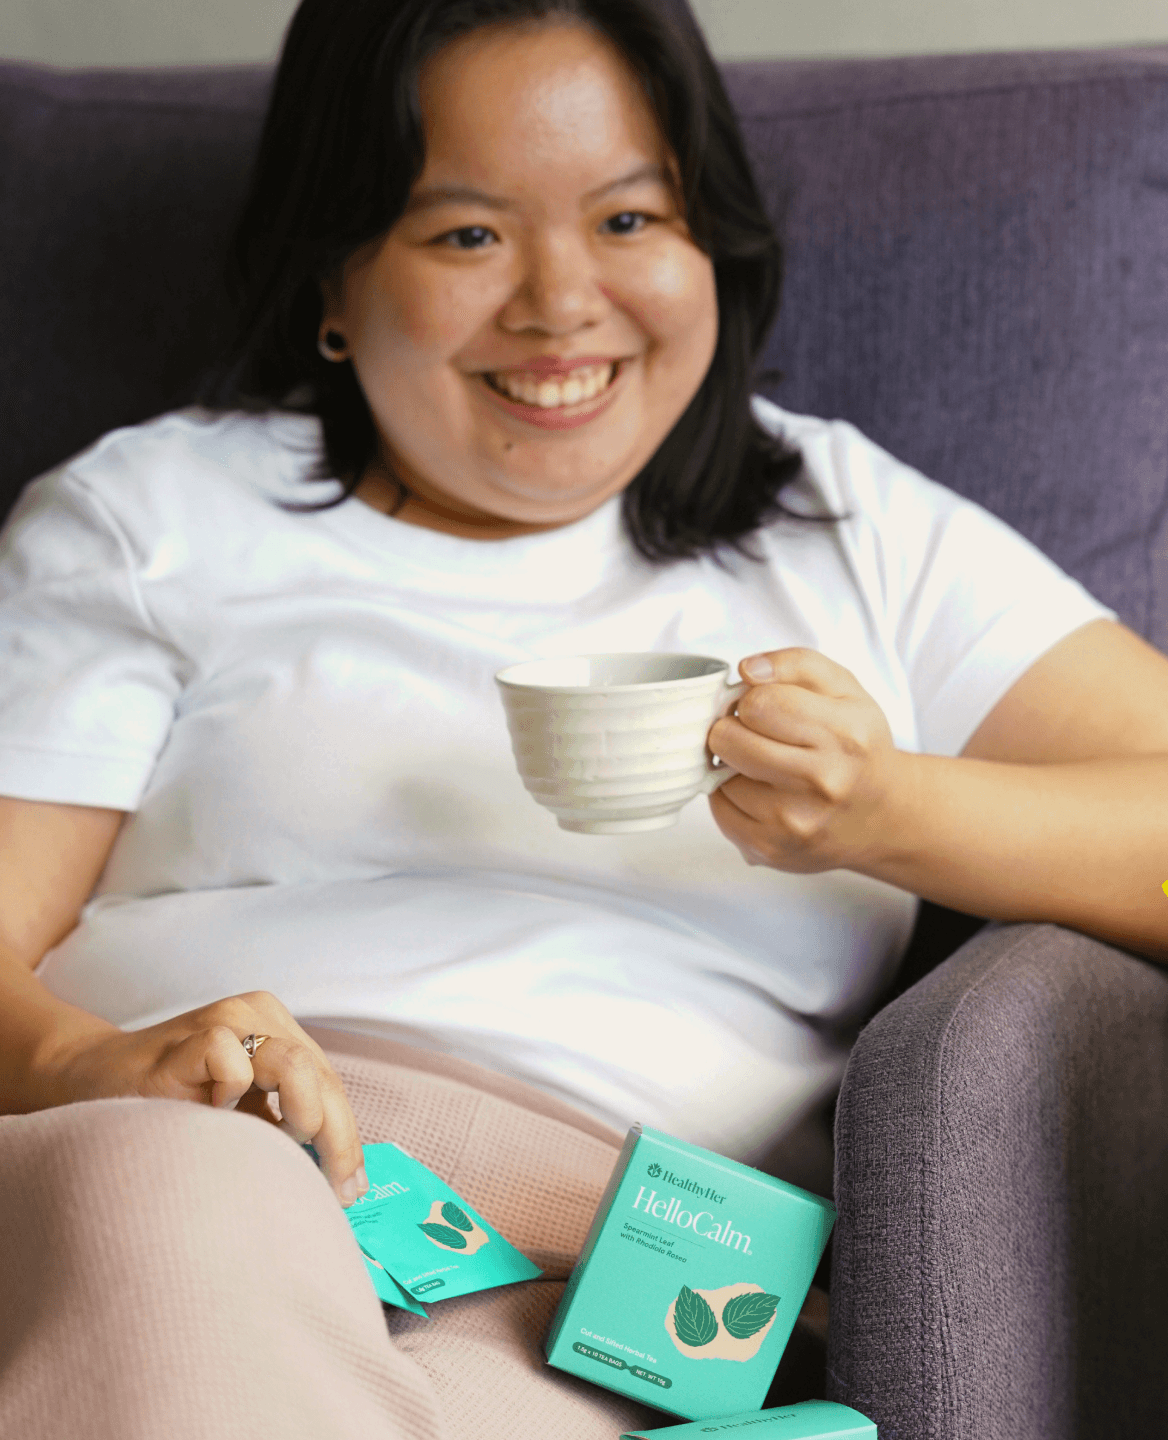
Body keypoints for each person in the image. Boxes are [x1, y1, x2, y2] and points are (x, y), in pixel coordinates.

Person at [2, 1, 1167, 1436]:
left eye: (628, 219)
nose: (561, 303)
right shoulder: (153, 519)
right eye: (466, 235)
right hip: (183, 1171)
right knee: (177, 1206)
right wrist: (88, 1065)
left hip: (601, 1301)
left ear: (711, 245)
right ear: (334, 273)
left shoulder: (844, 524)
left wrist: (895, 813)